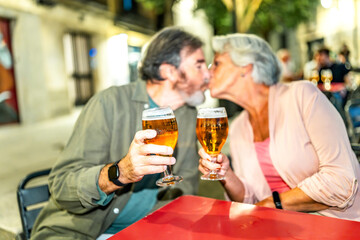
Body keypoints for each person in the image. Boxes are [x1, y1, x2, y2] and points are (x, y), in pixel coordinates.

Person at [31, 27, 210, 239]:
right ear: (168, 72)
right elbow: (61, 186)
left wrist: (156, 228)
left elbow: (186, 182)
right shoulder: (108, 103)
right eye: (199, 66)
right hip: (81, 231)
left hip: (149, 231)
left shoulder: (188, 114)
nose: (208, 74)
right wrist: (121, 173)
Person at [199, 33, 360, 221]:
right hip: (278, 228)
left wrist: (271, 204)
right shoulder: (237, 127)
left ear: (246, 67)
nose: (208, 72)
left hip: (336, 225)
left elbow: (341, 181)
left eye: (217, 63)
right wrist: (226, 175)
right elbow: (248, 202)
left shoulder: (301, 96)